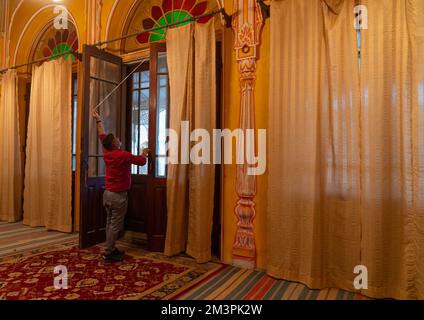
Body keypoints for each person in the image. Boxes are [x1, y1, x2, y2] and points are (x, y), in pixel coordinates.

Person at [92, 111, 149, 262]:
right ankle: (109, 252)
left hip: (107, 194)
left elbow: (101, 135)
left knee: (110, 223)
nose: (118, 139)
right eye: (116, 138)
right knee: (114, 226)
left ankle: (110, 248)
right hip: (118, 196)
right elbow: (141, 162)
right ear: (114, 144)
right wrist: (144, 153)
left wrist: (98, 120)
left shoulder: (106, 151)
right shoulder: (122, 155)